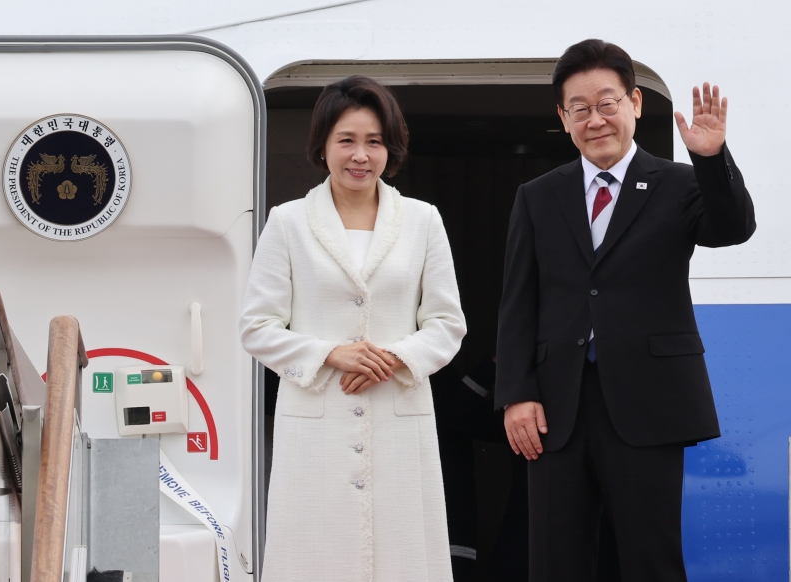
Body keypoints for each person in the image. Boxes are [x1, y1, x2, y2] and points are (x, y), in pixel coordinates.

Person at [495, 39, 755, 581]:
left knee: (650, 559)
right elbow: (518, 302)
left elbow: (732, 228)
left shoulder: (680, 183)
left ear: (634, 102)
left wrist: (710, 159)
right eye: (580, 108)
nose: (595, 120)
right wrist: (516, 393)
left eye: (607, 103)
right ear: (563, 118)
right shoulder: (537, 196)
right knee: (555, 560)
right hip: (556, 408)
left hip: (649, 400)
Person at [239, 75, 466, 582]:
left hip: (398, 421)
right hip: (316, 425)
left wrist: (395, 358)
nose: (360, 155)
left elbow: (447, 323)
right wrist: (330, 353)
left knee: (403, 557)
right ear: (323, 145)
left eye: (374, 141)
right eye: (347, 140)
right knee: (313, 555)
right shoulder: (288, 222)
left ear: (390, 148)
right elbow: (256, 326)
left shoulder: (422, 221)